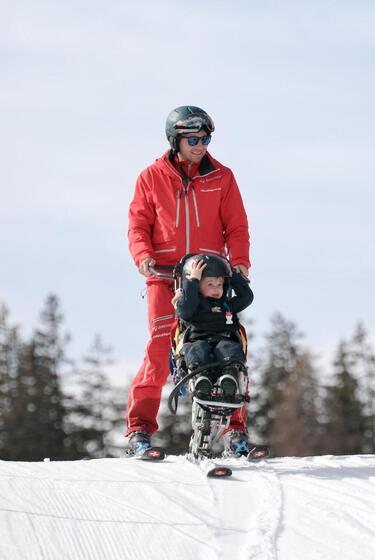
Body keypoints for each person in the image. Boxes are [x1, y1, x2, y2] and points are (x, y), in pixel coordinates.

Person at [125, 105, 251, 457]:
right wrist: (144, 256)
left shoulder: (222, 177)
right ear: (175, 140)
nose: (200, 145)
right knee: (159, 348)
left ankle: (235, 431)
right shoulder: (151, 177)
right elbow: (138, 225)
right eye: (193, 139)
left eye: (205, 138)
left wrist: (239, 263)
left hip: (211, 280)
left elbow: (237, 226)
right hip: (166, 278)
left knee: (230, 347)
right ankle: (139, 430)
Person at [173, 254, 253, 404]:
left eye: (220, 285)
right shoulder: (193, 306)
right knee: (197, 349)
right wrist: (192, 281)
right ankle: (201, 378)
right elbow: (185, 311)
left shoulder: (227, 305)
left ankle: (229, 376)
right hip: (197, 340)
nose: (216, 289)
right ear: (197, 286)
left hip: (223, 340)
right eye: (210, 284)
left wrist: (233, 275)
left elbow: (246, 297)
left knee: (229, 348)